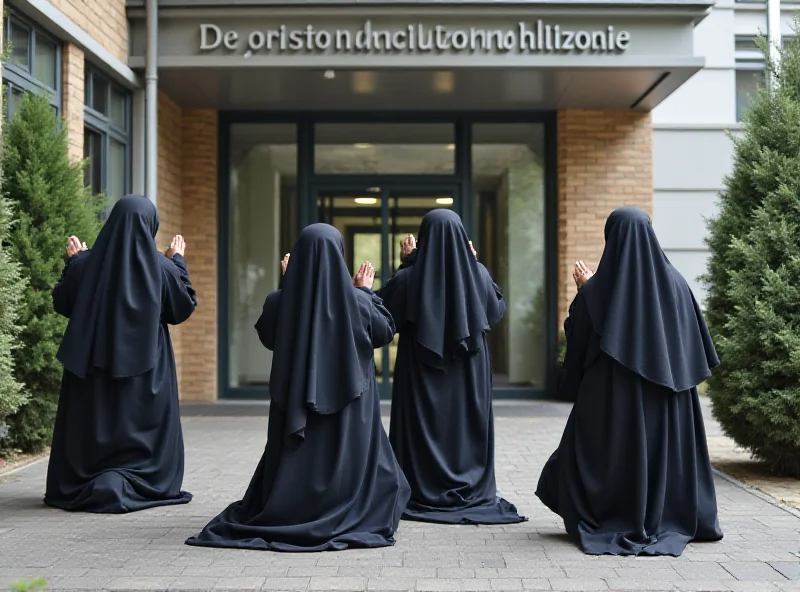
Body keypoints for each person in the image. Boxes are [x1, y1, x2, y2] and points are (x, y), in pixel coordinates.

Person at [186, 224, 411, 552]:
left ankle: (293, 505)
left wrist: (290, 285)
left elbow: (268, 336)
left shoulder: (279, 302)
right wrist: (363, 290)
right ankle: (343, 505)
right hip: (350, 409)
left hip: (294, 408)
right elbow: (384, 331)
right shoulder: (358, 303)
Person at [536, 206, 723, 556]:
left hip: (611, 404)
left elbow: (578, 346)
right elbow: (691, 345)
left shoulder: (597, 292)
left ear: (611, 240)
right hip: (668, 405)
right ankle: (664, 516)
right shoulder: (678, 285)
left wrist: (583, 293)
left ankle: (609, 514)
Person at [45, 195, 197, 513]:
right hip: (148, 375)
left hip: (91, 377)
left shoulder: (86, 265)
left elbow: (62, 301)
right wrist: (177, 260)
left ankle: (97, 478)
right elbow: (183, 306)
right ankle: (137, 479)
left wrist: (74, 262)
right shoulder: (161, 267)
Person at [378, 209, 525, 525]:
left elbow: (383, 314)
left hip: (421, 374)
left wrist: (408, 262)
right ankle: (469, 487)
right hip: (470, 375)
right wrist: (473, 264)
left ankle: (420, 490)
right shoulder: (479, 276)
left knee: (422, 427)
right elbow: (496, 308)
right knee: (466, 426)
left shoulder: (407, 278)